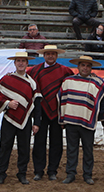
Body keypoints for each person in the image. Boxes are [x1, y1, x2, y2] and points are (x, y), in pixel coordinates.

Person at [0, 52, 42, 184]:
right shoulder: (6, 79)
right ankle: (1, 174)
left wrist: (36, 123)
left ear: (27, 63)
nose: (20, 63)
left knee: (24, 147)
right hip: (9, 118)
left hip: (25, 120)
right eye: (18, 61)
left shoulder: (32, 83)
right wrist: (8, 104)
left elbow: (37, 104)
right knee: (5, 146)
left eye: (23, 61)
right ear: (14, 63)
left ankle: (22, 173)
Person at [58, 55, 104, 185]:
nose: (85, 68)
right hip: (70, 120)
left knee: (88, 149)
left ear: (91, 68)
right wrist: (62, 119)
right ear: (78, 66)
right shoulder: (68, 81)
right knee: (71, 149)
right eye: (83, 65)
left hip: (87, 120)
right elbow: (61, 99)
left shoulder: (97, 82)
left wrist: (99, 116)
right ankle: (70, 173)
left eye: (88, 65)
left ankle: (87, 174)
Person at [27, 45, 74, 181]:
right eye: (48, 54)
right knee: (39, 141)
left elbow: (75, 82)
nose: (51, 56)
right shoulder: (34, 71)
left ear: (57, 55)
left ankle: (52, 170)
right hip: (40, 110)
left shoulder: (65, 71)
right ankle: (38, 170)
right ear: (44, 55)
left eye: (53, 54)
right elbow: (24, 80)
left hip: (58, 111)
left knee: (56, 142)